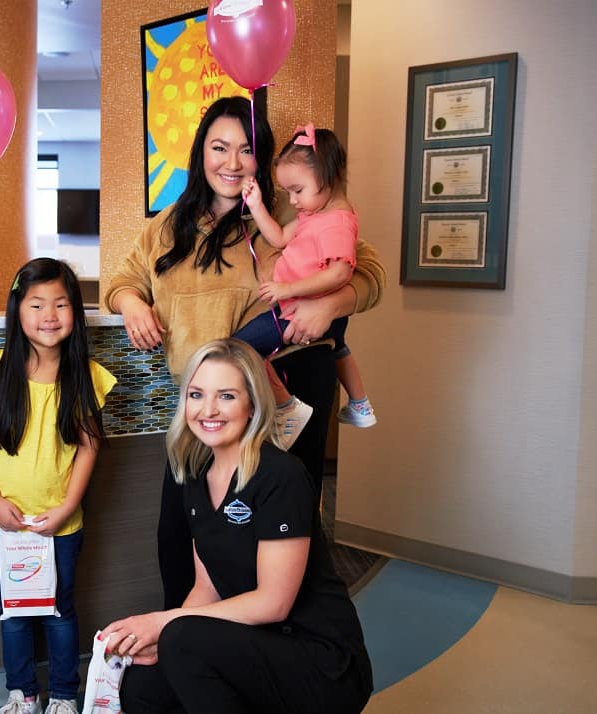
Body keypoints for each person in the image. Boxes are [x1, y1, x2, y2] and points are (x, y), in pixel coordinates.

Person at [104, 96, 385, 608]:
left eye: (247, 150)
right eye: (220, 147)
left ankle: (282, 671)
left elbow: (367, 272)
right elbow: (123, 278)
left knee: (280, 546)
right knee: (181, 535)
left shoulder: (289, 212)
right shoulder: (168, 226)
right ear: (200, 152)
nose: (232, 163)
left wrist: (331, 306)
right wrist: (131, 304)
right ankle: (187, 646)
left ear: (264, 159)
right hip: (205, 408)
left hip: (288, 390)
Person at [100, 339, 373, 714]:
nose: (208, 409)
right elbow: (206, 586)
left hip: (322, 661)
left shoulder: (281, 475)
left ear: (252, 405)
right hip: (254, 641)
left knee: (181, 638)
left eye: (226, 396)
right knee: (144, 684)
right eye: (196, 394)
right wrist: (161, 636)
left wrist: (163, 624)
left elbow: (274, 603)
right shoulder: (195, 473)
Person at [0, 258, 116, 714]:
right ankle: (22, 692)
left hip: (60, 522)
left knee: (59, 609)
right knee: (12, 610)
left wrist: (69, 505)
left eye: (61, 304)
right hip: (1, 520)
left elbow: (89, 447)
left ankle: (66, 694)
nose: (49, 315)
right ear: (18, 309)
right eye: (36, 304)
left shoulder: (85, 375)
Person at [235, 123, 377, 428]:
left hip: (299, 311)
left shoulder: (336, 223)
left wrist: (287, 289)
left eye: (297, 190)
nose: (293, 201)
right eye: (288, 192)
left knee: (239, 348)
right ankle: (360, 404)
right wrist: (257, 205)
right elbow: (278, 238)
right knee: (339, 347)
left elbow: (341, 273)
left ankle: (286, 407)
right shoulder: (314, 216)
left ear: (328, 177)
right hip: (305, 309)